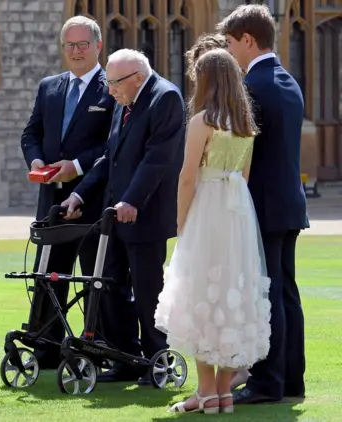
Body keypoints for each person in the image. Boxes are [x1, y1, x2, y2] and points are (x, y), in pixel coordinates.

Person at [154, 47, 271, 415]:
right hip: (237, 210)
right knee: (232, 291)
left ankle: (205, 392)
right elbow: (245, 176)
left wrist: (182, 222)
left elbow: (188, 176)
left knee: (201, 291)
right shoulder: (244, 125)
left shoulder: (202, 120)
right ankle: (222, 390)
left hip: (208, 207)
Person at [62, 48, 186, 385]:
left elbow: (158, 159)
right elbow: (111, 156)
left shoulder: (165, 99)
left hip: (144, 214)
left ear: (137, 79)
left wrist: (132, 200)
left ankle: (156, 361)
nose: (109, 91)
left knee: (148, 291)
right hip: (113, 214)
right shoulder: (124, 102)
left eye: (114, 83)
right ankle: (125, 358)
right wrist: (80, 192)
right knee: (109, 286)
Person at [216, 4, 308, 404]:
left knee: (267, 294)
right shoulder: (287, 80)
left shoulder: (252, 86)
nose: (231, 51)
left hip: (264, 207)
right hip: (289, 203)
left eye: (232, 43)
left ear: (248, 40)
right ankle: (291, 379)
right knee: (286, 292)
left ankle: (268, 382)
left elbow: (240, 152)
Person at [20, 16, 115, 369]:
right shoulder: (49, 87)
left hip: (93, 200)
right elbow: (30, 134)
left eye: (83, 45)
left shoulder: (112, 87)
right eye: (70, 45)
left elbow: (112, 145)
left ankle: (98, 350)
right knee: (48, 275)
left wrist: (75, 166)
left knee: (95, 278)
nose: (76, 52)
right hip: (52, 200)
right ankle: (45, 349)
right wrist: (37, 162)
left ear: (98, 46)